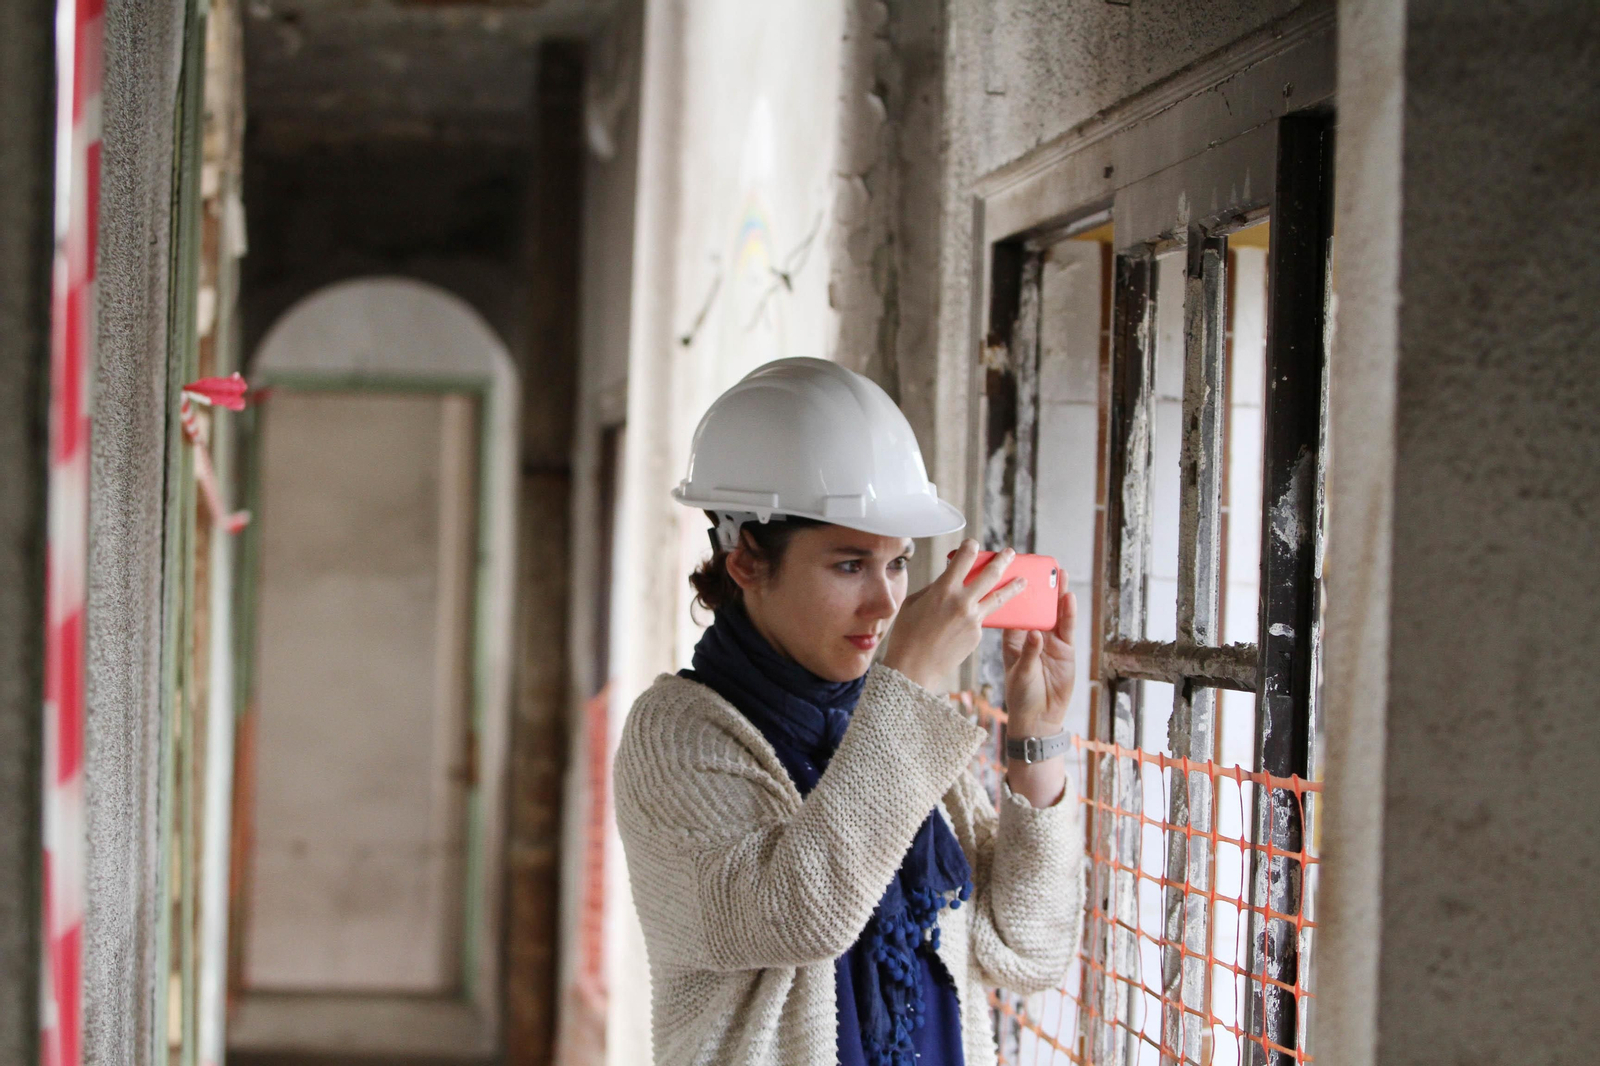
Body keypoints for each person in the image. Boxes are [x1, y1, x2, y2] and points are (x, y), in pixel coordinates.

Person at [614, 358, 1084, 1066]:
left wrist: (1036, 738)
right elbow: (800, 914)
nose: (887, 602)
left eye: (897, 563)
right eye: (849, 565)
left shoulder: (892, 726)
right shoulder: (677, 734)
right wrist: (912, 678)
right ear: (746, 562)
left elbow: (1026, 951)